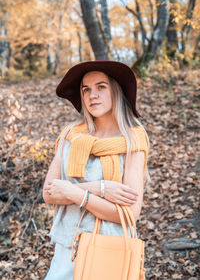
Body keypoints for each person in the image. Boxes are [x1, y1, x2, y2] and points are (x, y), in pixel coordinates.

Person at [43, 60, 149, 280]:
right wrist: (100, 188)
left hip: (110, 249)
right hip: (68, 249)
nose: (92, 95)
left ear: (116, 91)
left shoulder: (132, 139)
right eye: (86, 89)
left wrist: (75, 193)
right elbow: (49, 193)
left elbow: (129, 214)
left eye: (101, 87)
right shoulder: (71, 134)